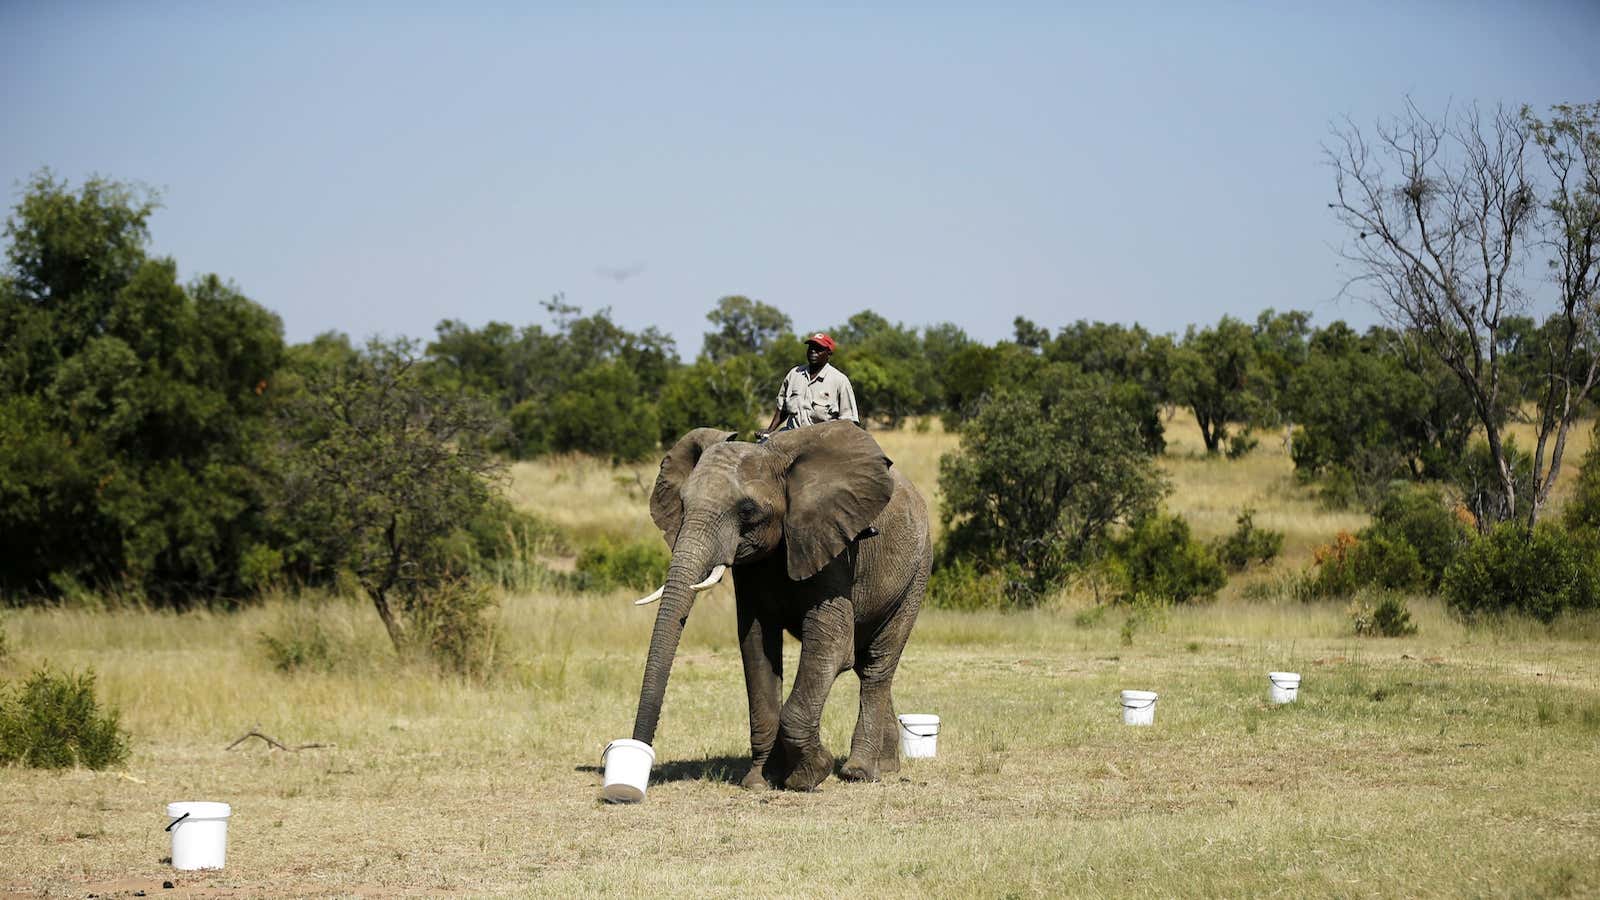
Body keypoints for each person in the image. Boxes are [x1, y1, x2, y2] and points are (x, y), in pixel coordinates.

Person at [759, 332, 859, 437]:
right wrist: (770, 430)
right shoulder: (794, 374)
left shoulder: (840, 380)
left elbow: (850, 422)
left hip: (821, 441)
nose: (813, 351)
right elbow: (782, 408)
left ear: (829, 353)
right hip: (790, 437)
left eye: (818, 348)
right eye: (810, 347)